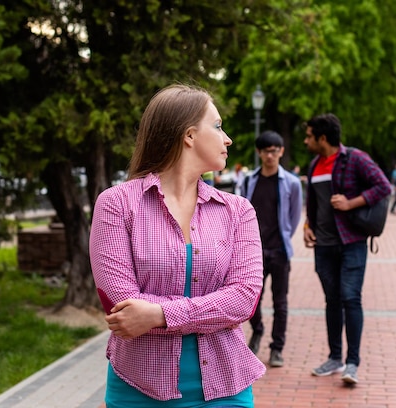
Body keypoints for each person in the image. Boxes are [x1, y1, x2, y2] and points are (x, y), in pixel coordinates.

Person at [89, 84, 265, 407]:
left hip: (227, 389)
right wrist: (210, 312)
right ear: (189, 136)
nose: (228, 139)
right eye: (218, 125)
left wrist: (158, 314)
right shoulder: (116, 205)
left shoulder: (238, 211)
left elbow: (244, 300)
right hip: (139, 389)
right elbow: (124, 310)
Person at [302, 113, 391, 385]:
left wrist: (352, 203)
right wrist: (308, 225)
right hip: (324, 246)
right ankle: (335, 358)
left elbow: (383, 186)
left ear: (323, 138)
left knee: (350, 298)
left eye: (309, 136)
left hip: (351, 242)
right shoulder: (314, 164)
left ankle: (353, 363)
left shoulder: (355, 159)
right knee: (332, 301)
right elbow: (314, 202)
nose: (306, 141)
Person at [241, 130, 303, 368]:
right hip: (253, 252)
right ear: (259, 152)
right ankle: (257, 329)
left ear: (281, 152)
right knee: (251, 299)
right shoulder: (248, 181)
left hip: (279, 252)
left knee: (281, 302)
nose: (271, 155)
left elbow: (294, 217)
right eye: (266, 151)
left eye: (275, 151)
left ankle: (277, 348)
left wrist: (283, 239)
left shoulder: (292, 184)